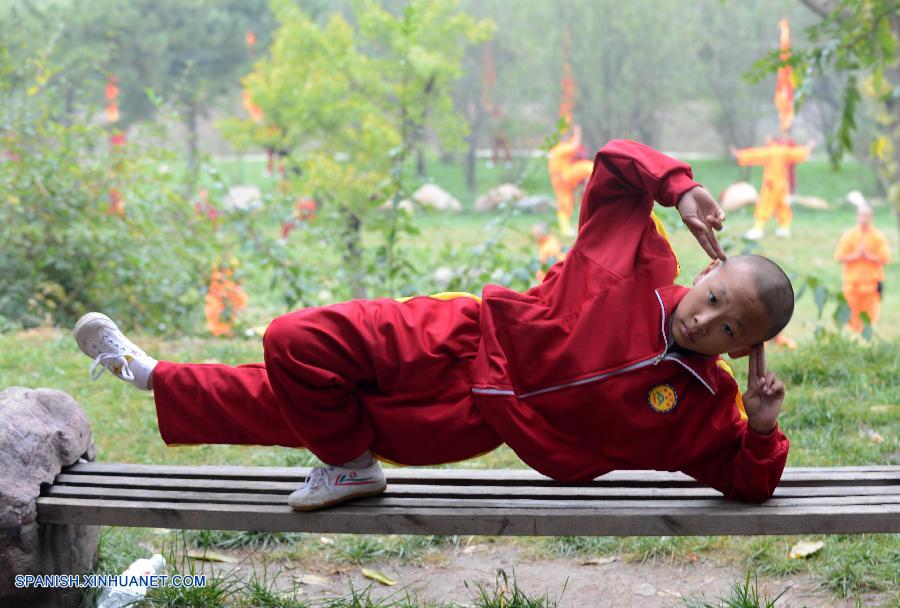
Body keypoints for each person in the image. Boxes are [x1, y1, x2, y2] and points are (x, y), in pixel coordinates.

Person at [73, 140, 791, 512]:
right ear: (706, 270)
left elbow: (746, 482)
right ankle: (349, 464)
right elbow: (613, 166)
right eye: (718, 294)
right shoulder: (635, 264)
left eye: (733, 329)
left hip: (473, 417)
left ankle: (153, 377)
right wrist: (682, 188)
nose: (709, 320)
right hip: (457, 333)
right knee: (297, 342)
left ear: (747, 350)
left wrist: (760, 429)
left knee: (300, 405)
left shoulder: (699, 408)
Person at [731, 137, 814, 240]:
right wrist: (808, 147)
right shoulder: (784, 151)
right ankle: (784, 228)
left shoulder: (770, 152)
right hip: (783, 185)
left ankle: (758, 228)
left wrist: (739, 154)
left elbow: (755, 155)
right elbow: (798, 153)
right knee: (782, 206)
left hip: (771, 185)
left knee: (764, 206)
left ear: (772, 141)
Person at [834, 204, 892, 333]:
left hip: (871, 286)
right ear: (857, 216)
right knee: (851, 316)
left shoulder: (878, 236)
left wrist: (867, 256)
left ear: (871, 217)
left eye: (866, 215)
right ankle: (853, 341)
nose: (864, 218)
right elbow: (839, 256)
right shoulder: (850, 235)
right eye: (861, 215)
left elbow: (886, 258)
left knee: (869, 319)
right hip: (852, 285)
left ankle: (867, 340)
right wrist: (856, 255)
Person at [548, 124, 594, 237]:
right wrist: (578, 133)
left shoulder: (556, 149)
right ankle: (597, 178)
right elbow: (574, 146)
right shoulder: (561, 148)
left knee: (566, 204)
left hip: (559, 180)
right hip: (564, 176)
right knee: (588, 166)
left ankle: (565, 229)